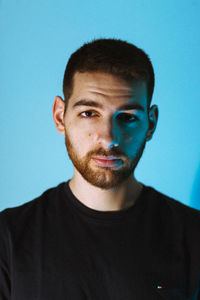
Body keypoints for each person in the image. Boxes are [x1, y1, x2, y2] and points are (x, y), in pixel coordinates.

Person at [0, 38, 200, 300]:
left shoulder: (193, 237)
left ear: (150, 124)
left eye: (127, 117)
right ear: (60, 116)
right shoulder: (8, 239)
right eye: (89, 113)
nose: (108, 138)